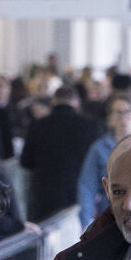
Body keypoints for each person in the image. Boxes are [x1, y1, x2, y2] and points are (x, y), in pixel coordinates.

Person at [20, 86, 102, 218]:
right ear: (77, 102)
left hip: (44, 197)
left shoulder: (38, 125)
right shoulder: (91, 126)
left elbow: (25, 162)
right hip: (78, 196)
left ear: (53, 102)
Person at [77, 95, 131, 227]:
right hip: (109, 218)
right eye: (118, 112)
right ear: (110, 118)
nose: (123, 117)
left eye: (128, 112)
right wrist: (86, 224)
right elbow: (86, 187)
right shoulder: (98, 148)